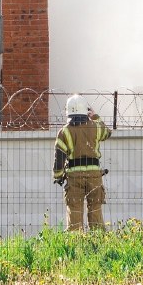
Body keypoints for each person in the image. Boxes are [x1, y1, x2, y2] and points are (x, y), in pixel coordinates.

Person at [52, 94, 112, 230]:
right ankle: (98, 243)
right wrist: (95, 116)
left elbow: (59, 158)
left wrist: (58, 176)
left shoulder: (64, 131)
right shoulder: (96, 127)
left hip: (74, 176)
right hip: (95, 175)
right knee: (95, 210)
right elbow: (107, 133)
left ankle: (75, 245)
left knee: (74, 212)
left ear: (68, 112)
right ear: (86, 110)